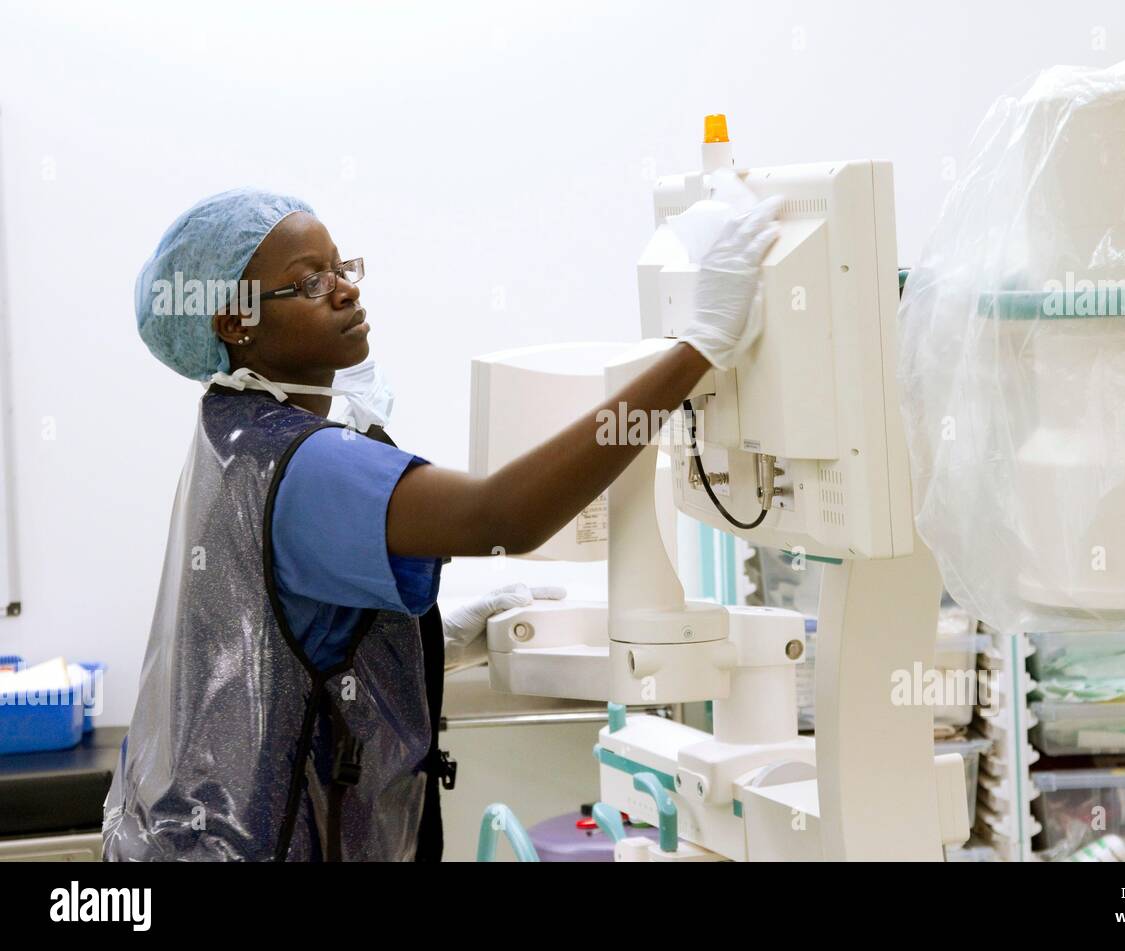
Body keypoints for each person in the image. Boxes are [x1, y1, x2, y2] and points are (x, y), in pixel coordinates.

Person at [103, 187, 780, 861]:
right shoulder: (305, 464)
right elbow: (502, 516)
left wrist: (430, 642)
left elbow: (267, 639)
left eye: (342, 267)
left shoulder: (231, 437)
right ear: (235, 323)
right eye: (309, 281)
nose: (343, 290)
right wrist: (699, 347)